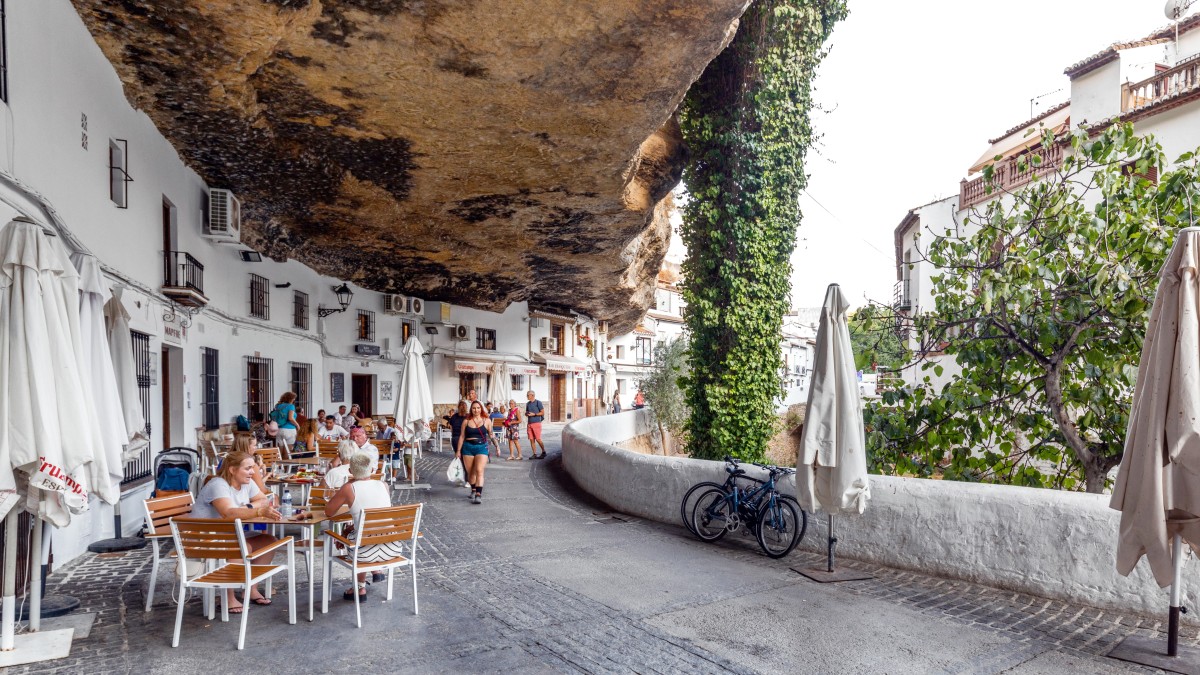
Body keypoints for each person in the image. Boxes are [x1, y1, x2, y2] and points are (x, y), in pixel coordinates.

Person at [192, 448, 283, 613]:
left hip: (227, 535)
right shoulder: (218, 485)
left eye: (252, 468)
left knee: (269, 542)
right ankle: (228, 597)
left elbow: (263, 500)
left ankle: (251, 589)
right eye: (247, 468)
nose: (252, 472)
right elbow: (228, 513)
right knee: (243, 547)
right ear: (232, 470)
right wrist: (257, 511)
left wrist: (247, 506)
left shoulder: (246, 483)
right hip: (205, 539)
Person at [324, 453, 393, 600]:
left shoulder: (349, 488)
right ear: (372, 469)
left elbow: (329, 512)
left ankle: (360, 588)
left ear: (350, 471)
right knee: (361, 535)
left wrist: (343, 534)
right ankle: (368, 578)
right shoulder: (383, 485)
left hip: (363, 553)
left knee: (358, 540)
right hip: (390, 548)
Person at [457, 401, 492, 504]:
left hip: (481, 447)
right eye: (474, 408)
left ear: (481, 408)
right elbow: (462, 436)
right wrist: (458, 451)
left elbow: (491, 434)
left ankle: (478, 494)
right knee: (470, 473)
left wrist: (497, 446)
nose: (476, 410)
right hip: (468, 447)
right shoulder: (466, 421)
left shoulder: (487, 420)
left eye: (478, 408)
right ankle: (473, 489)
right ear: (471, 410)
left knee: (479, 470)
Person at [525, 390, 547, 459]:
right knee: (531, 439)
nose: (527, 396)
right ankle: (534, 454)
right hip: (529, 423)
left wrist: (534, 414)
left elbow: (542, 412)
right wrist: (526, 413)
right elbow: (527, 411)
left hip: (536, 423)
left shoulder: (538, 402)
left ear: (532, 395)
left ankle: (543, 452)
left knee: (538, 439)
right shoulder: (528, 403)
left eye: (528, 395)